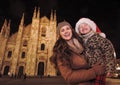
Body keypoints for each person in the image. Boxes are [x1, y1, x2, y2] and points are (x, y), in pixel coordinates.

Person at [50, 21, 105, 85]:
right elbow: (69, 78)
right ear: (59, 35)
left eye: (68, 28)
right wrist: (94, 72)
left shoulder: (82, 42)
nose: (66, 31)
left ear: (71, 30)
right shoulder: (61, 52)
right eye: (62, 30)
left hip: (97, 81)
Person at [75, 18, 116, 85]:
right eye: (80, 27)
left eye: (85, 25)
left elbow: (109, 53)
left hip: (99, 70)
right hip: (86, 71)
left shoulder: (100, 39)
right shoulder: (79, 42)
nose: (83, 27)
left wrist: (109, 69)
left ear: (91, 27)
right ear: (78, 31)